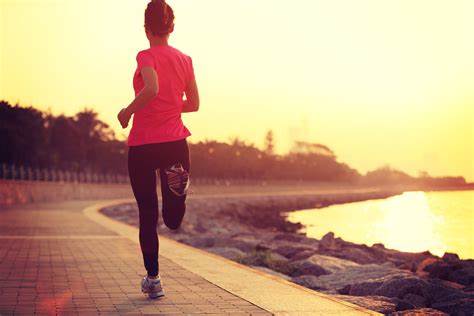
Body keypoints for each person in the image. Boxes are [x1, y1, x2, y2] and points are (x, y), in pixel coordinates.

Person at [117, 0, 199, 299]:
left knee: (147, 214)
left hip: (142, 145)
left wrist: (127, 111)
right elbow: (194, 104)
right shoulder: (185, 60)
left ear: (146, 28)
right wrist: (171, 106)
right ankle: (175, 204)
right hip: (175, 144)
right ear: (172, 27)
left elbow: (150, 89)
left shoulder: (146, 55)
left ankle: (154, 279)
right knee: (172, 218)